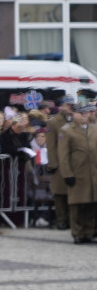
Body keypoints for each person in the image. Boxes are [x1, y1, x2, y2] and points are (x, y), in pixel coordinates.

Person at [56, 102, 97, 243]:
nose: (84, 116)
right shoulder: (67, 130)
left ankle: (90, 232)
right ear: (74, 114)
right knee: (77, 206)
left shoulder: (94, 129)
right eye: (81, 113)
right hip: (78, 174)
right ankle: (78, 233)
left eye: (86, 113)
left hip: (93, 174)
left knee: (92, 204)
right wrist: (67, 174)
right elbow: (63, 155)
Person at [45, 95, 76, 230]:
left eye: (72, 105)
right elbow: (51, 145)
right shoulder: (54, 122)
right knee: (60, 194)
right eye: (68, 105)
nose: (71, 107)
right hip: (59, 161)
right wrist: (52, 164)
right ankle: (61, 220)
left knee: (72, 193)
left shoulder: (75, 119)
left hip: (73, 162)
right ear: (62, 106)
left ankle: (71, 220)